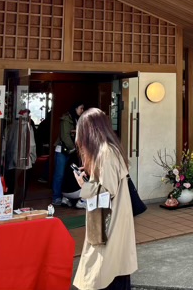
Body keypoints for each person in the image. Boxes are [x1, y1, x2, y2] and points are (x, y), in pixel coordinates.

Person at [73, 108, 137, 290]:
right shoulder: (110, 149)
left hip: (108, 221)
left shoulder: (105, 153)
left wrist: (84, 184)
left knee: (104, 268)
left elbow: (106, 191)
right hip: (116, 218)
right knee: (116, 265)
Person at [52, 102, 84, 205]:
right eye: (81, 108)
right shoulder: (66, 119)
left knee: (68, 174)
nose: (82, 111)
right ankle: (56, 197)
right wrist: (74, 148)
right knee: (59, 174)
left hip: (72, 150)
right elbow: (65, 136)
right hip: (63, 150)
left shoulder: (77, 119)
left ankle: (66, 196)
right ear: (75, 108)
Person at [5, 109, 37, 208]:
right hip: (23, 160)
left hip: (10, 160)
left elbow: (4, 143)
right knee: (20, 187)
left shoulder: (10, 126)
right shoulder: (27, 127)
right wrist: (33, 158)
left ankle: (7, 206)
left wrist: (3, 157)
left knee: (10, 186)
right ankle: (17, 207)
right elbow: (31, 145)